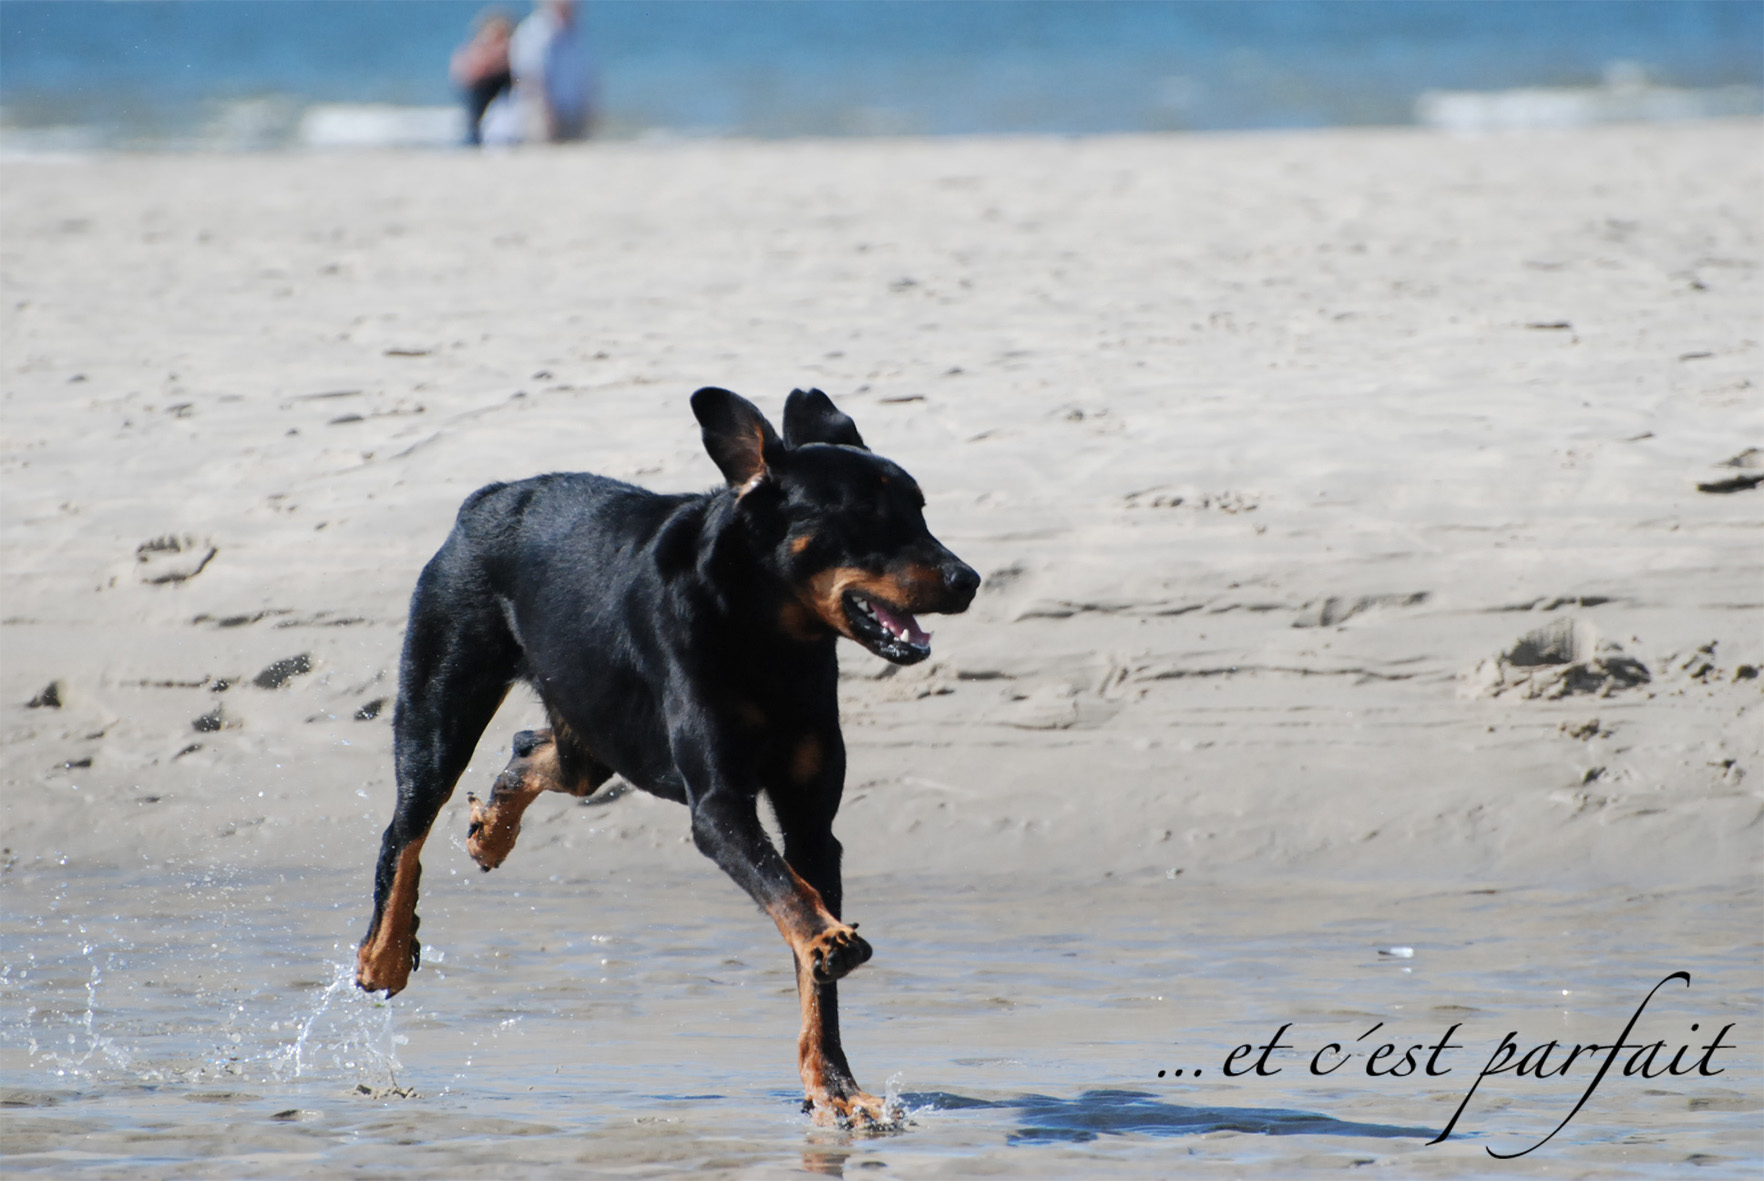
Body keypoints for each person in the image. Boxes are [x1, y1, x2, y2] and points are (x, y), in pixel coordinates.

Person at [505, 0, 594, 143]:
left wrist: (587, 108)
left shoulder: (574, 34)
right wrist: (544, 111)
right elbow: (529, 76)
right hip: (541, 111)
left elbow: (585, 74)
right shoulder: (534, 33)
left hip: (571, 111)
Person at [450, 9, 514, 147]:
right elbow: (463, 73)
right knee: (474, 132)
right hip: (479, 110)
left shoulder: (512, 58)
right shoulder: (475, 54)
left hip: (505, 117)